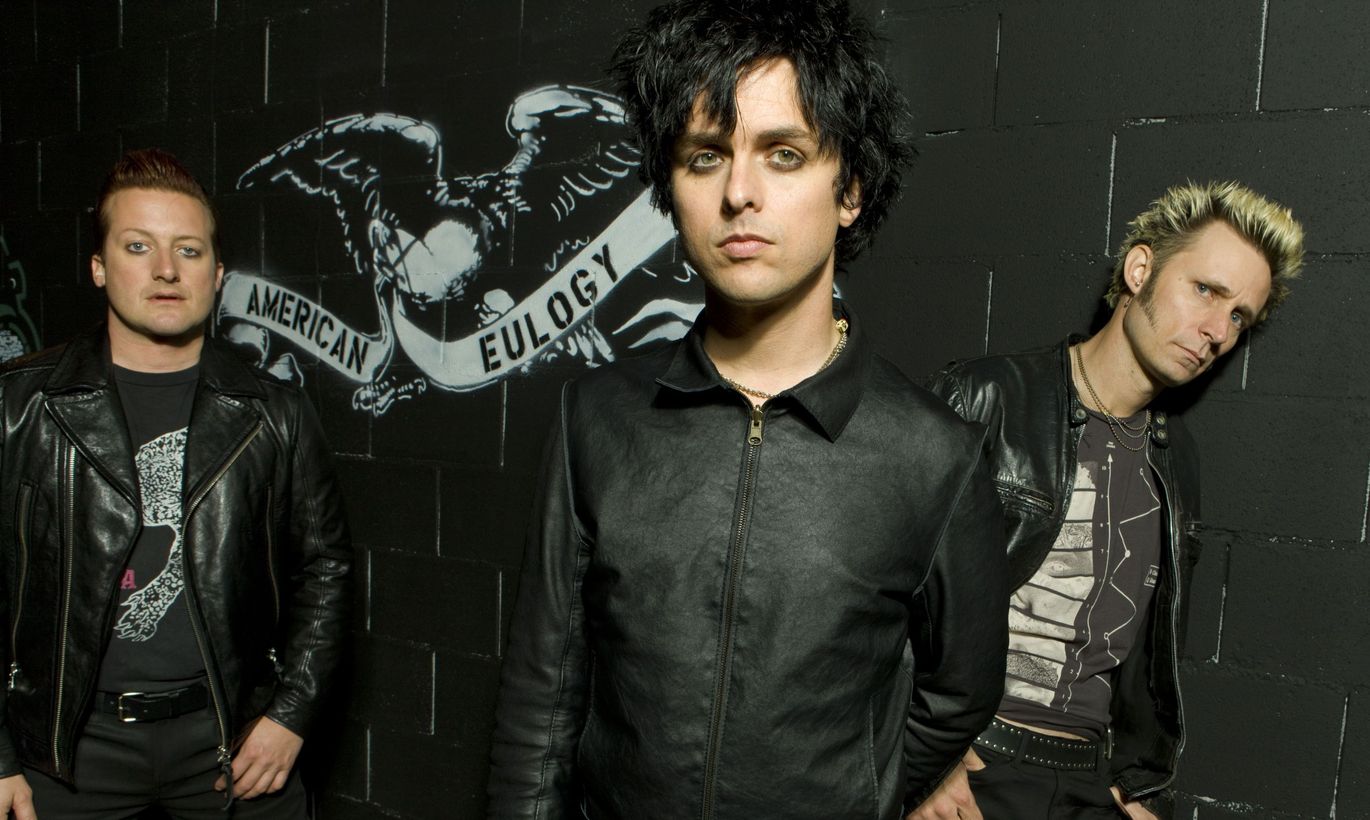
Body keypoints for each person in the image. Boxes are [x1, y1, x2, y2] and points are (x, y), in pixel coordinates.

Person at [487, 2, 1008, 818]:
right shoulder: (596, 417)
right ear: (671, 189)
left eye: (783, 154)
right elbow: (542, 705)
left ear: (850, 189)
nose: (738, 193)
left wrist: (854, 794)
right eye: (705, 157)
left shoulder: (935, 455)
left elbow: (961, 690)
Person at [914, 180, 1304, 820]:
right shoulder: (988, 398)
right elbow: (881, 598)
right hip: (973, 765)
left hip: (1090, 784)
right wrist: (922, 761)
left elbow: (1149, 651)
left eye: (1240, 317)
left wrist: (1138, 784)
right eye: (1206, 290)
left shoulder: (1175, 458)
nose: (1216, 331)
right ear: (1140, 269)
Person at [0, 149, 352, 819]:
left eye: (188, 250)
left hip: (231, 745)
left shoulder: (273, 410)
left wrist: (292, 714)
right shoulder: (21, 406)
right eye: (139, 246)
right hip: (67, 753)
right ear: (99, 266)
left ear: (216, 276)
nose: (166, 269)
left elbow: (325, 569)